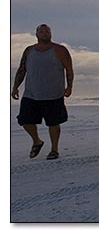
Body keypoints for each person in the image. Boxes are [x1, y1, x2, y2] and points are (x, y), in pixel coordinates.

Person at [12, 24, 74, 160]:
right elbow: (22, 69)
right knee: (25, 121)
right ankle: (37, 141)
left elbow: (69, 70)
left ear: (51, 34)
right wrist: (15, 86)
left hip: (53, 94)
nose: (44, 33)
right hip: (31, 94)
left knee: (53, 123)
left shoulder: (60, 50)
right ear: (37, 34)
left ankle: (54, 150)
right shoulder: (29, 51)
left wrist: (69, 87)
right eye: (41, 31)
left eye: (47, 31)